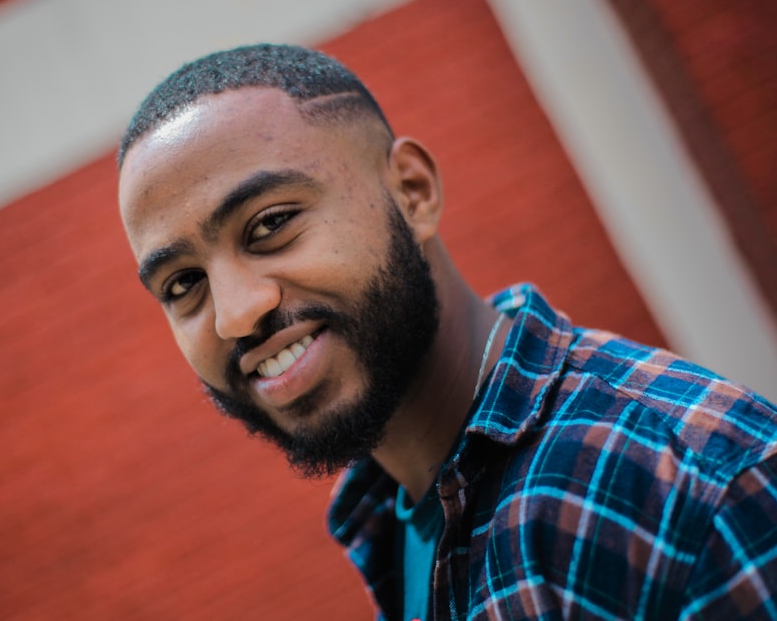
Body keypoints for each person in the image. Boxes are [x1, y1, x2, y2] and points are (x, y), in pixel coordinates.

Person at [115, 43, 777, 620]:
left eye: (269, 224)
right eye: (182, 284)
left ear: (412, 191)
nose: (235, 314)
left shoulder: (687, 487)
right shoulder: (394, 517)